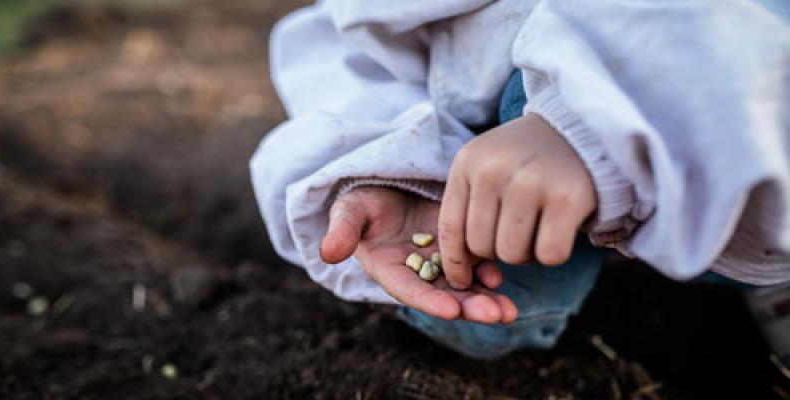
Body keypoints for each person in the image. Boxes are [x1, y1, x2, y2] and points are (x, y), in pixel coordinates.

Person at [251, 0, 790, 360]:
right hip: (495, 142)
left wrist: (585, 126)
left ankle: (759, 266)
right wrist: (393, 163)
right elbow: (348, 41)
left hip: (698, 98)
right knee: (479, 311)